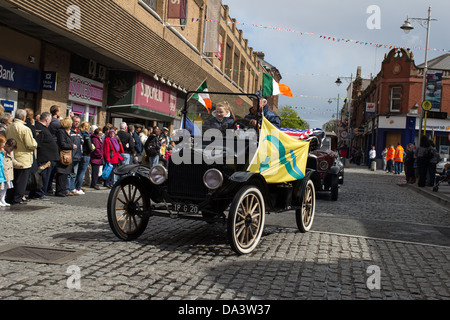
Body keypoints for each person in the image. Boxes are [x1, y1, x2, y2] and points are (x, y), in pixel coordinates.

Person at [5, 109, 37, 205]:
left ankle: (10, 197)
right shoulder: (25, 129)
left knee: (13, 178)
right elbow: (30, 144)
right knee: (22, 180)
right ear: (23, 117)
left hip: (12, 155)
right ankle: (18, 197)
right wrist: (35, 143)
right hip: (23, 156)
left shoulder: (9, 127)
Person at [32, 112, 59, 200]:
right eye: (50, 120)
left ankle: (41, 192)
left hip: (48, 156)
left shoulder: (44, 128)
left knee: (46, 176)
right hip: (44, 157)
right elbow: (37, 144)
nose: (50, 122)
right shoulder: (39, 129)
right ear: (47, 119)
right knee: (43, 176)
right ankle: (39, 193)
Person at [55, 117, 76, 197]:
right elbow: (62, 144)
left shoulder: (66, 132)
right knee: (61, 173)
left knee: (65, 174)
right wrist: (71, 146)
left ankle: (63, 190)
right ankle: (59, 190)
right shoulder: (61, 132)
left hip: (67, 156)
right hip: (63, 155)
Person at [1, 139, 24, 206]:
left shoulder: (10, 152)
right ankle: (1, 200)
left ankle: (3, 200)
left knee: (5, 188)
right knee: (1, 187)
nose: (11, 150)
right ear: (7, 145)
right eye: (11, 148)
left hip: (8, 172)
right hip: (3, 171)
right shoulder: (2, 151)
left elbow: (13, 160)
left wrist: (19, 164)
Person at [73, 121, 93, 195]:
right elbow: (89, 146)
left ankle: (74, 186)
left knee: (77, 172)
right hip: (85, 155)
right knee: (82, 172)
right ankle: (78, 188)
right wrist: (92, 149)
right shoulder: (86, 134)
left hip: (79, 154)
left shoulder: (79, 133)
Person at [66, 115, 82, 195]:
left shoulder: (79, 132)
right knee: (68, 173)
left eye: (78, 122)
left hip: (77, 156)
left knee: (74, 173)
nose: (77, 123)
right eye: (75, 121)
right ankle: (67, 188)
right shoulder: (70, 131)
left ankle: (72, 188)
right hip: (70, 155)